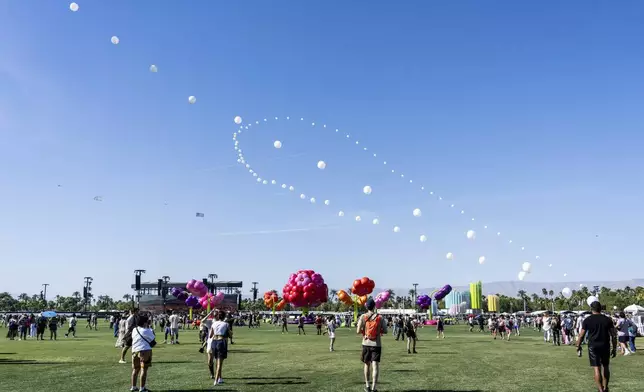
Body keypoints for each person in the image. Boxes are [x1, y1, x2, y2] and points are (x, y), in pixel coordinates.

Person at [576, 301, 617, 392]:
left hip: (593, 346)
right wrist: (614, 348)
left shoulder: (588, 320)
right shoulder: (607, 319)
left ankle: (600, 389)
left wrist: (578, 346)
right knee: (605, 366)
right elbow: (613, 335)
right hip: (605, 345)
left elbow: (581, 335)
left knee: (596, 368)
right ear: (601, 309)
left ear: (591, 309)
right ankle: (605, 388)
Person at [356, 298, 388, 392]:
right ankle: (374, 387)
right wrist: (378, 331)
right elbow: (385, 330)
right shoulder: (380, 317)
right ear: (374, 306)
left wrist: (365, 333)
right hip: (376, 344)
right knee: (375, 365)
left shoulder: (363, 316)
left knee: (367, 364)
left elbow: (358, 331)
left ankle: (367, 386)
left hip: (366, 343)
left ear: (366, 306)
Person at [130, 314, 155, 392]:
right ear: (145, 322)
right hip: (145, 351)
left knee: (135, 369)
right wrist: (149, 328)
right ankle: (142, 388)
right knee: (143, 369)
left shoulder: (134, 330)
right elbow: (153, 339)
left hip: (134, 351)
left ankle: (133, 387)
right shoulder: (147, 330)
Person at [207, 311, 232, 385]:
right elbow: (230, 335)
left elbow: (210, 335)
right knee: (219, 363)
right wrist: (230, 333)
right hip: (221, 342)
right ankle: (216, 380)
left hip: (214, 342)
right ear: (224, 317)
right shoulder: (226, 324)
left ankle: (219, 378)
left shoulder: (214, 323)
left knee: (216, 361)